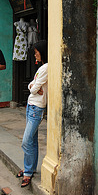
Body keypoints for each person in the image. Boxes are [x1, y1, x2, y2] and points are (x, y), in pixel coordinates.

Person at [16, 40, 48, 187]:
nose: (35, 54)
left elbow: (34, 88)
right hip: (31, 106)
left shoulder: (46, 68)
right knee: (32, 141)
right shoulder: (42, 68)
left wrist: (34, 87)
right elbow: (32, 85)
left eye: (36, 52)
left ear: (43, 52)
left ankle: (28, 173)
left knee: (26, 141)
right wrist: (34, 86)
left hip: (36, 108)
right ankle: (29, 169)